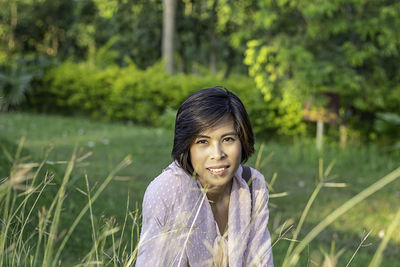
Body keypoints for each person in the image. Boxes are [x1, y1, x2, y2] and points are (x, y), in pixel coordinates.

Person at [136, 87, 273, 266]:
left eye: (228, 139)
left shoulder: (252, 184)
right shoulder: (166, 191)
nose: (217, 154)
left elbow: (261, 262)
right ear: (187, 146)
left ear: (242, 141)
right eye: (203, 142)